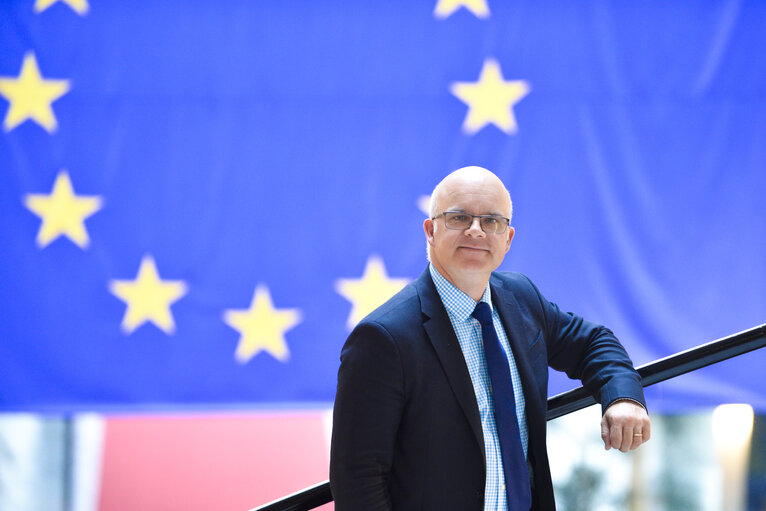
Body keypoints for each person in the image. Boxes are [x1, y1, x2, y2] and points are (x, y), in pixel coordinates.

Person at [330, 166, 650, 511]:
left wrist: (623, 398)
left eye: (492, 222)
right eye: (458, 218)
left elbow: (593, 342)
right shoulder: (383, 338)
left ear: (508, 239)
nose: (476, 231)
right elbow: (358, 478)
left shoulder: (521, 298)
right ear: (430, 230)